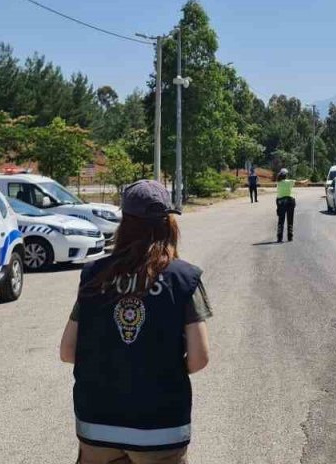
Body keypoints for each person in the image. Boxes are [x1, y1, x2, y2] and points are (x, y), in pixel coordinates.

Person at [59, 180, 212, 464]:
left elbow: (68, 351)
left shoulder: (95, 275)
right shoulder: (183, 278)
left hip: (97, 424)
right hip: (160, 428)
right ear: (169, 223)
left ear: (125, 224)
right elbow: (199, 358)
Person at [275, 168, 296, 242]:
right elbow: (301, 182)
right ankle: (290, 237)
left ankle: (279, 237)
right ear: (286, 175)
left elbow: (277, 196)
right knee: (290, 220)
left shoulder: (278, 183)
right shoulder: (290, 182)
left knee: (281, 220)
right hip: (290, 201)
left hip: (281, 202)